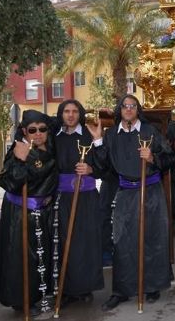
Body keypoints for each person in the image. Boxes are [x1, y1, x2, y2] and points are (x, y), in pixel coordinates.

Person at [87, 95, 174, 311]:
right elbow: (101, 167)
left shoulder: (150, 131)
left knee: (152, 238)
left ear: (138, 110)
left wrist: (153, 158)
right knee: (123, 241)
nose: (128, 109)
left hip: (151, 191)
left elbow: (170, 158)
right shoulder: (111, 135)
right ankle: (122, 290)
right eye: (124, 106)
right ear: (119, 110)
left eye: (132, 106)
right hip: (125, 192)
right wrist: (98, 141)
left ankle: (152, 286)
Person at [0, 110, 58, 316]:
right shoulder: (19, 149)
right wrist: (20, 161)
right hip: (20, 214)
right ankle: (21, 301)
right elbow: (9, 182)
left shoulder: (52, 148)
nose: (38, 133)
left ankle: (39, 296)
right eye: (32, 130)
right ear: (24, 131)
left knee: (42, 258)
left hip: (44, 213)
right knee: (21, 259)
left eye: (42, 129)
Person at [53, 100, 103, 304]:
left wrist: (91, 169)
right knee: (64, 242)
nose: (71, 115)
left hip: (86, 198)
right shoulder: (53, 137)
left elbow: (105, 164)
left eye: (75, 111)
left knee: (85, 243)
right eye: (66, 111)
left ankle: (84, 288)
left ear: (80, 114)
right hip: (61, 198)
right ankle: (65, 288)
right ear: (61, 114)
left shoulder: (89, 135)